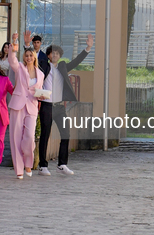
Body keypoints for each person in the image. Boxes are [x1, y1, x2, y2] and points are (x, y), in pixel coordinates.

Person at [37, 33, 93, 176]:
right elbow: (35, 58)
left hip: (60, 107)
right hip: (47, 106)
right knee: (45, 135)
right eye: (52, 53)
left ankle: (62, 164)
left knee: (66, 134)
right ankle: (43, 166)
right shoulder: (44, 66)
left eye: (57, 53)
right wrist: (27, 46)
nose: (55, 55)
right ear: (48, 55)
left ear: (60, 56)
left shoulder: (62, 67)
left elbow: (76, 61)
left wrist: (88, 48)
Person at [8, 33, 46, 179]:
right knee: (16, 137)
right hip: (18, 105)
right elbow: (12, 59)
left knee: (29, 137)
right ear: (24, 58)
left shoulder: (40, 74)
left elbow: (39, 90)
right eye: (27, 56)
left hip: (32, 106)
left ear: (34, 57)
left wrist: (41, 95)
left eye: (31, 55)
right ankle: (19, 169)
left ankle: (28, 164)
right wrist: (15, 42)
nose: (29, 58)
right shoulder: (19, 68)